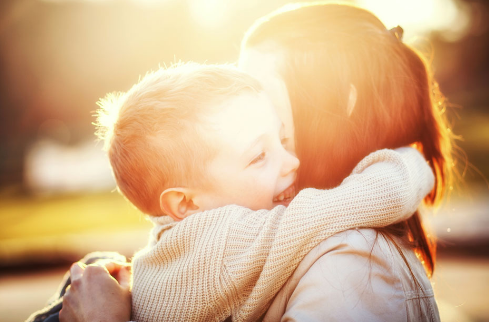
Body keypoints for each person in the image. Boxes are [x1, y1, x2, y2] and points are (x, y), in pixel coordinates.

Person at [57, 2, 455, 321]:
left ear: (340, 105)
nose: (249, 103)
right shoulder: (246, 237)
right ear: (184, 202)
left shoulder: (351, 266)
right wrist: (411, 160)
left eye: (259, 88)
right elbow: (381, 192)